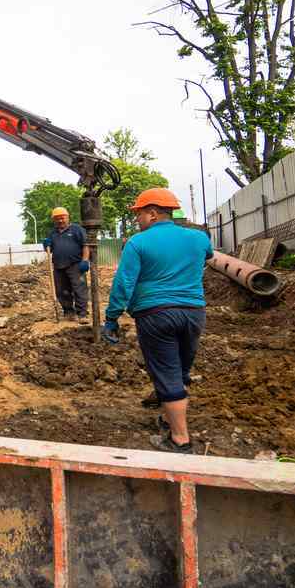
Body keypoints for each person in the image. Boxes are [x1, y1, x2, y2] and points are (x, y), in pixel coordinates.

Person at [101, 188, 213, 454]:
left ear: (152, 213)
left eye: (139, 213)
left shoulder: (138, 243)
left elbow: (124, 282)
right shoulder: (199, 238)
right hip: (193, 312)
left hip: (156, 314)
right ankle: (168, 416)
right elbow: (208, 256)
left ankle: (179, 439)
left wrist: (112, 317)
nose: (137, 219)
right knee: (181, 369)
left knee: (166, 372)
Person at [42, 207, 89, 320]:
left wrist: (85, 260)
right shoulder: (52, 233)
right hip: (59, 267)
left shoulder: (77, 229)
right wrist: (46, 245)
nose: (60, 221)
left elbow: (85, 245)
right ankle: (68, 312)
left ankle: (82, 314)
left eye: (62, 218)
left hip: (75, 265)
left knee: (79, 290)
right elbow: (50, 250)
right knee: (62, 291)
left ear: (67, 217)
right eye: (57, 219)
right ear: (54, 220)